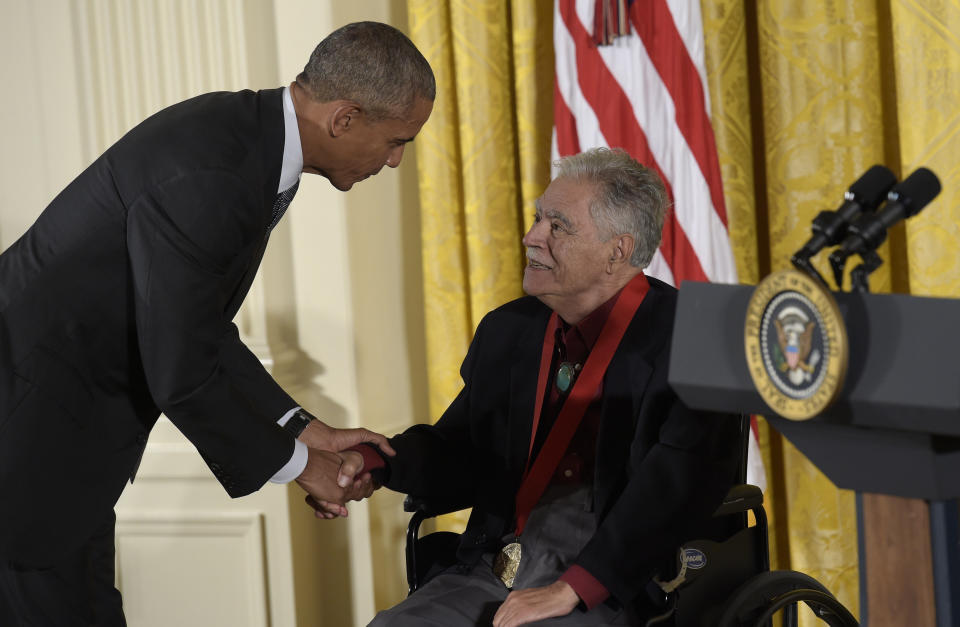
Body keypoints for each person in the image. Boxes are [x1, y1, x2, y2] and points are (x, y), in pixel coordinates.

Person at [0, 21, 434, 625]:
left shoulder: (242, 139)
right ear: (345, 118)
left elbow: (196, 325)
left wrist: (303, 428)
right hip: (28, 444)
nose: (395, 161)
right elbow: (180, 367)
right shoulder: (215, 174)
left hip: (65, 445)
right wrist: (303, 468)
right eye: (396, 140)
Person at [342, 148, 741, 626]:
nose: (531, 237)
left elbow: (677, 488)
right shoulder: (508, 329)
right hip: (496, 567)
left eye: (558, 226)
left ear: (618, 250)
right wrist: (377, 462)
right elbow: (462, 449)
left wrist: (576, 587)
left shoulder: (700, 339)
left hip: (617, 578)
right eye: (537, 219)